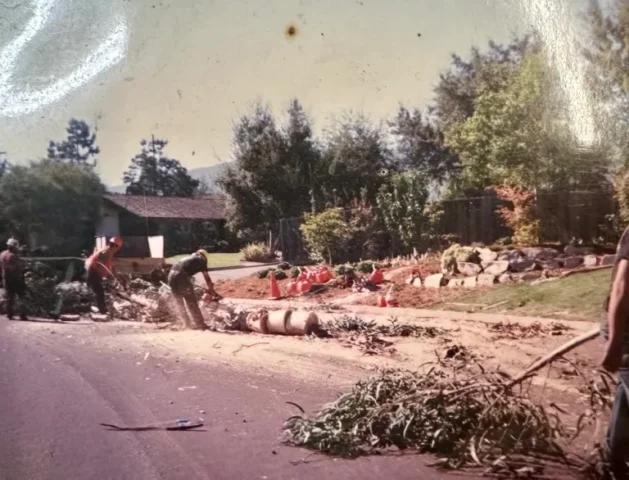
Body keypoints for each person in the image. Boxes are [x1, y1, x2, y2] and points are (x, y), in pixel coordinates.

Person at [601, 226, 629, 478]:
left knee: (625, 390)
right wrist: (615, 343)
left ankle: (613, 459)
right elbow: (622, 288)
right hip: (625, 330)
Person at [167, 249, 220, 330]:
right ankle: (200, 324)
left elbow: (181, 271)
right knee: (191, 301)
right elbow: (207, 279)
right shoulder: (202, 261)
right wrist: (212, 291)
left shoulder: (187, 258)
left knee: (179, 302)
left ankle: (186, 324)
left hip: (170, 276)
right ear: (204, 257)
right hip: (182, 277)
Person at [85, 236, 123, 315]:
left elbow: (106, 265)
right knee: (99, 291)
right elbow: (100, 265)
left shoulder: (108, 251)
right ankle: (102, 310)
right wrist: (106, 275)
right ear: (116, 246)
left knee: (97, 291)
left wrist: (109, 274)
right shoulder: (105, 252)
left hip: (95, 272)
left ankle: (98, 308)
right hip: (94, 273)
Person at [0, 237, 28, 320]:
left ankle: (10, 314)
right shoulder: (13, 256)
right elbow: (19, 266)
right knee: (22, 296)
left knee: (9, 296)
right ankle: (22, 314)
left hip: (6, 278)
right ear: (13, 247)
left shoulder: (2, 254)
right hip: (15, 278)